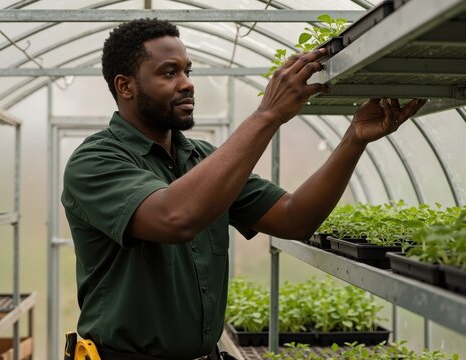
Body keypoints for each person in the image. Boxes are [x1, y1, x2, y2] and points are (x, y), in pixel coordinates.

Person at [61, 18, 425, 360]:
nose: (187, 82)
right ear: (125, 86)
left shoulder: (203, 159)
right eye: (169, 73)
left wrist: (354, 140)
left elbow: (294, 218)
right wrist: (267, 114)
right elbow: (175, 218)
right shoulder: (95, 161)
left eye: (188, 70)